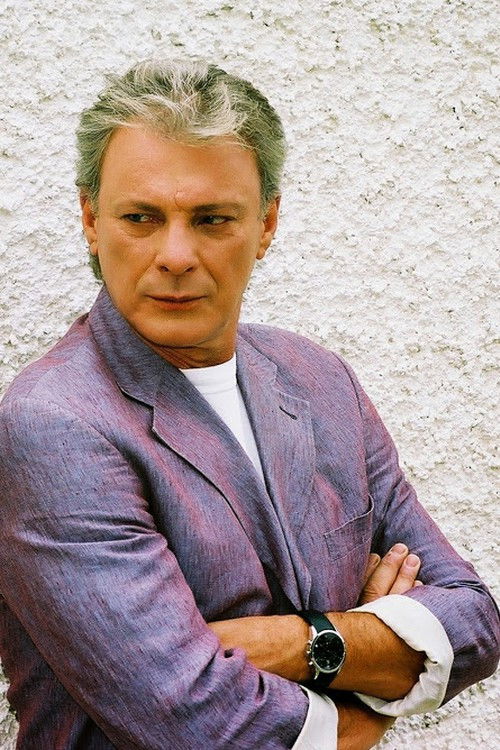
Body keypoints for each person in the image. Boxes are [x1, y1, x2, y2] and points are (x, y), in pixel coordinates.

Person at [0, 59, 498, 750]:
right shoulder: (54, 421)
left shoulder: (320, 380)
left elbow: (475, 624)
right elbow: (195, 721)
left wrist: (303, 641)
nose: (176, 254)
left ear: (266, 223)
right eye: (141, 217)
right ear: (91, 218)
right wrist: (369, 702)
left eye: (212, 219)